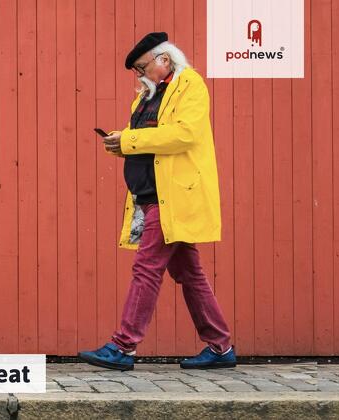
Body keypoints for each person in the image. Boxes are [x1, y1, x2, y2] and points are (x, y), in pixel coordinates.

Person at [78, 33, 234, 370]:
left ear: (164, 59)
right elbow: (149, 142)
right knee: (190, 274)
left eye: (142, 67)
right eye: (137, 71)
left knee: (146, 269)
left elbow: (183, 134)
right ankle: (221, 347)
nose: (140, 76)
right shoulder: (148, 97)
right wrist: (120, 144)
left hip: (171, 197)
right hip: (151, 197)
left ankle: (124, 346)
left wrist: (130, 140)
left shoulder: (190, 85)